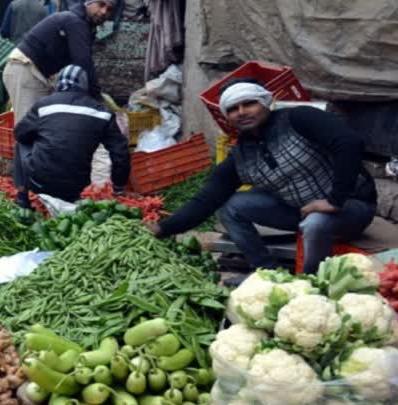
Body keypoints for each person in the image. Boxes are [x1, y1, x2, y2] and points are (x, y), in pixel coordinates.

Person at [148, 79, 378, 276]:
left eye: (249, 104)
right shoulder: (240, 156)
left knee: (315, 221)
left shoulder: (299, 119)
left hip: (351, 208)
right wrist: (162, 228)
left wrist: (334, 200)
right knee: (229, 206)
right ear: (227, 117)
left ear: (266, 103)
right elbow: (204, 201)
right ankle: (266, 272)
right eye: (233, 108)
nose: (242, 112)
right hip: (299, 211)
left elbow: (348, 142)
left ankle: (312, 282)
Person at [13, 65, 129, 207]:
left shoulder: (44, 105)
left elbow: (20, 134)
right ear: (85, 86)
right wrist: (118, 185)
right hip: (76, 187)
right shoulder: (102, 112)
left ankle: (22, 198)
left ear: (59, 83)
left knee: (21, 143)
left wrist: (41, 137)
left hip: (38, 182)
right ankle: (68, 198)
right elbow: (120, 153)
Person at [2, 0, 115, 122]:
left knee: (46, 125)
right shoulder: (74, 21)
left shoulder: (84, 25)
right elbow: (83, 62)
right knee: (30, 128)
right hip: (25, 70)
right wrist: (97, 97)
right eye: (101, 4)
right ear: (88, 2)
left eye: (109, 9)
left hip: (41, 74)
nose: (104, 12)